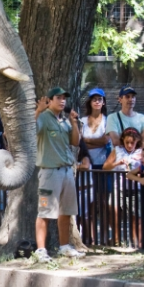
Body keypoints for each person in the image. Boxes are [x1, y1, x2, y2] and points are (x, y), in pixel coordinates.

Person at [33, 87, 83, 263]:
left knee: (66, 212)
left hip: (67, 171)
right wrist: (38, 111)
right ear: (50, 100)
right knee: (45, 211)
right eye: (58, 98)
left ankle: (64, 247)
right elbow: (32, 131)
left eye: (64, 98)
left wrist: (74, 123)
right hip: (49, 171)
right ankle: (40, 250)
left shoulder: (64, 120)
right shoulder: (44, 117)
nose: (62, 101)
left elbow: (75, 142)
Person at [80, 88, 109, 169]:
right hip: (85, 163)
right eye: (94, 99)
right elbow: (80, 142)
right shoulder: (83, 120)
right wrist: (98, 142)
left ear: (103, 102)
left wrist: (86, 141)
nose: (97, 102)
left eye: (100, 99)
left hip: (102, 163)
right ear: (90, 102)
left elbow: (105, 141)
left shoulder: (107, 120)